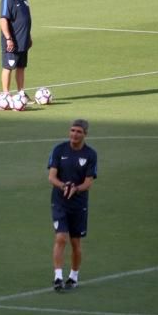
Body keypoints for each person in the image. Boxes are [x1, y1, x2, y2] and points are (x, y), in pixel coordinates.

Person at [47, 119, 98, 291]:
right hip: (59, 202)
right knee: (61, 238)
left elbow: (88, 183)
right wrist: (63, 186)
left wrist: (75, 189)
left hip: (79, 204)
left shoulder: (90, 154)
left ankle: (73, 277)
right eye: (72, 130)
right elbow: (51, 177)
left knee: (76, 243)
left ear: (85, 134)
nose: (74, 134)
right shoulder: (59, 150)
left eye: (78, 132)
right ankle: (58, 278)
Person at [0, 0, 32, 98]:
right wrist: (8, 39)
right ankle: (6, 94)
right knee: (9, 66)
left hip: (23, 40)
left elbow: (25, 19)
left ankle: (20, 92)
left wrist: (28, 37)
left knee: (21, 67)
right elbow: (3, 19)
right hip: (12, 41)